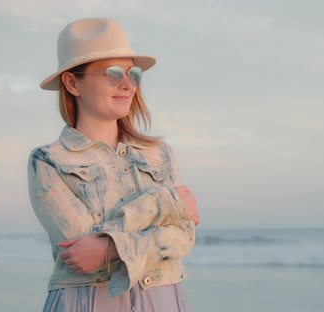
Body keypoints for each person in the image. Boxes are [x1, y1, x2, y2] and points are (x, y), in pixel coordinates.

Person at [27, 18, 199, 311]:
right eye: (113, 72)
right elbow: (83, 255)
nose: (127, 84)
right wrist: (164, 204)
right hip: (88, 302)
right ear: (72, 82)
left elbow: (183, 236)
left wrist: (107, 246)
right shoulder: (48, 161)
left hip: (165, 300)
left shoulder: (160, 153)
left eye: (133, 73)